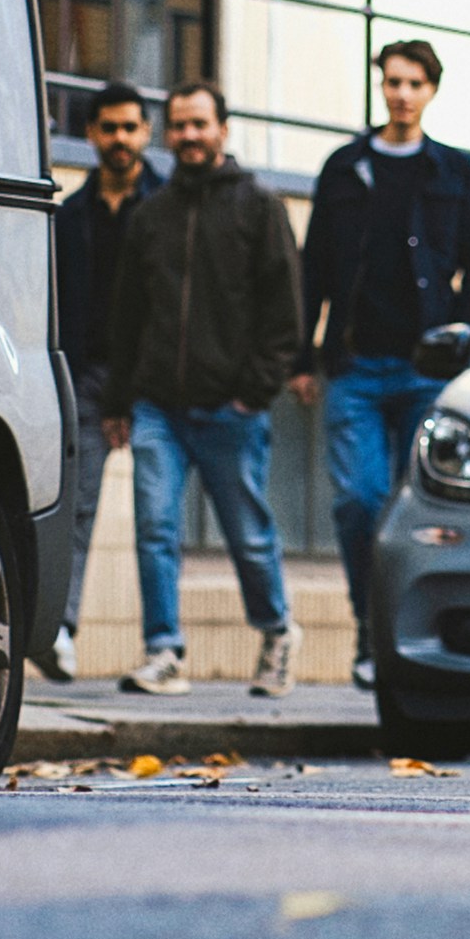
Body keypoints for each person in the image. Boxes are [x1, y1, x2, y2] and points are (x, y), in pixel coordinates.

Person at [94, 81, 304, 697]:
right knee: (154, 528)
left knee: (248, 534)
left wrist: (253, 392)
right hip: (158, 405)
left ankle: (276, 631)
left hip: (229, 409)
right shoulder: (150, 215)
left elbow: (284, 312)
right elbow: (127, 313)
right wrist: (118, 400)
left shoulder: (259, 208)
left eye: (199, 125)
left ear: (222, 130)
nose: (188, 136)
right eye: (179, 126)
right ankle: (163, 651)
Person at [301, 39, 470, 688]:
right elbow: (315, 268)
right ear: (380, 86)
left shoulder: (454, 171)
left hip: (426, 374)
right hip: (355, 366)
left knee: (420, 512)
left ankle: (415, 638)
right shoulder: (344, 168)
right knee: (358, 503)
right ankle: (369, 633)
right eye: (392, 82)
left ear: (431, 91)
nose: (401, 93)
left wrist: (463, 337)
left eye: (414, 83)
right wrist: (304, 354)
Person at [35, 82, 164, 682]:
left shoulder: (166, 210)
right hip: (87, 377)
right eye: (108, 128)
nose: (120, 139)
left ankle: (167, 648)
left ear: (147, 133)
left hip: (157, 381)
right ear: (91, 135)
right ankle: (59, 630)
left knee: (158, 518)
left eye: (130, 127)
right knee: (77, 509)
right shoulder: (71, 215)